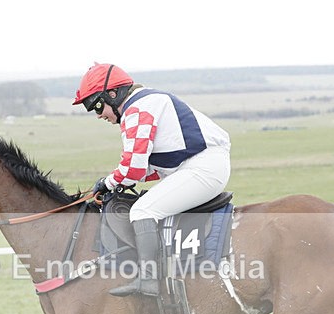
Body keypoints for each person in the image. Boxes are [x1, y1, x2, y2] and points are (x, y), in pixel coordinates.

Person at [73, 63, 231, 297]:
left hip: (203, 168)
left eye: (97, 105)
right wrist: (118, 181)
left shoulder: (137, 109)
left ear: (113, 94)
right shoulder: (144, 103)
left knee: (142, 211)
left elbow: (133, 168)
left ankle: (148, 280)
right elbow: (149, 169)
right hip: (198, 165)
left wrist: (108, 183)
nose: (98, 114)